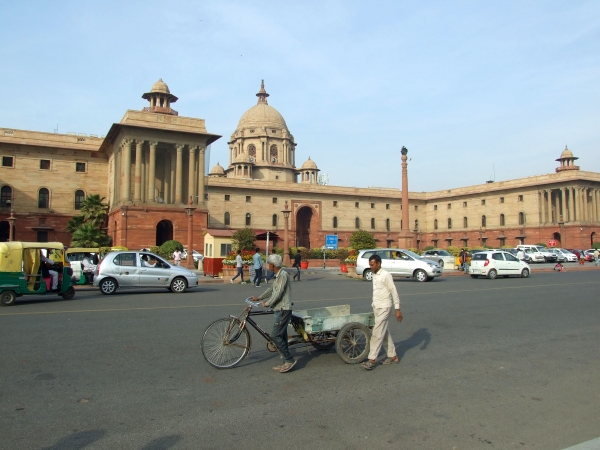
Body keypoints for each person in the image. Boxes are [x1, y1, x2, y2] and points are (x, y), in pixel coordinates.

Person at [250, 254, 296, 373]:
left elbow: (278, 293)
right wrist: (259, 297)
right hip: (279, 309)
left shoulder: (283, 275)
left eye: (269, 263)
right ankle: (286, 359)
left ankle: (289, 360)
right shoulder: (277, 275)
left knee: (275, 335)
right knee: (282, 335)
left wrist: (268, 303)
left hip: (283, 309)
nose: (267, 265)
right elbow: (271, 289)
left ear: (273, 265)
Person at [362, 254, 403, 370]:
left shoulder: (386, 275)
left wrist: (397, 309)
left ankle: (372, 360)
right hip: (376, 306)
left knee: (377, 333)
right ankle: (393, 355)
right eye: (370, 265)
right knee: (384, 332)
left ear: (379, 264)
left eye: (372, 265)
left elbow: (393, 291)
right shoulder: (374, 275)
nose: (371, 267)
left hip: (385, 307)